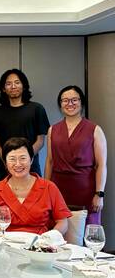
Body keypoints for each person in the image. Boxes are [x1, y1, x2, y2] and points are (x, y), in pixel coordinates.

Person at [45, 85, 107, 225]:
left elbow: (101, 165)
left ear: (81, 102)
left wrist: (99, 194)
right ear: (60, 104)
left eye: (74, 100)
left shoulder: (95, 129)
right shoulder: (52, 130)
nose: (70, 104)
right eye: (65, 100)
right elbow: (49, 162)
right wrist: (46, 190)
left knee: (88, 233)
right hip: (58, 190)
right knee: (58, 234)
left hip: (86, 191)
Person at [0, 137, 70, 235]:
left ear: (31, 159)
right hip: (7, 243)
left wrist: (49, 239)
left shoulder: (49, 187)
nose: (17, 164)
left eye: (23, 158)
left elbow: (63, 222)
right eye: (12, 159)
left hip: (39, 244)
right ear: (5, 162)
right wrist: (2, 237)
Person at [0, 69, 50, 181]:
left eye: (17, 82)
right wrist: (8, 161)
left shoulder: (37, 109)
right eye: (8, 83)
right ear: (3, 88)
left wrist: (24, 159)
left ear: (24, 86)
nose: (13, 86)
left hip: (31, 168)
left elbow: (40, 141)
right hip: (5, 169)